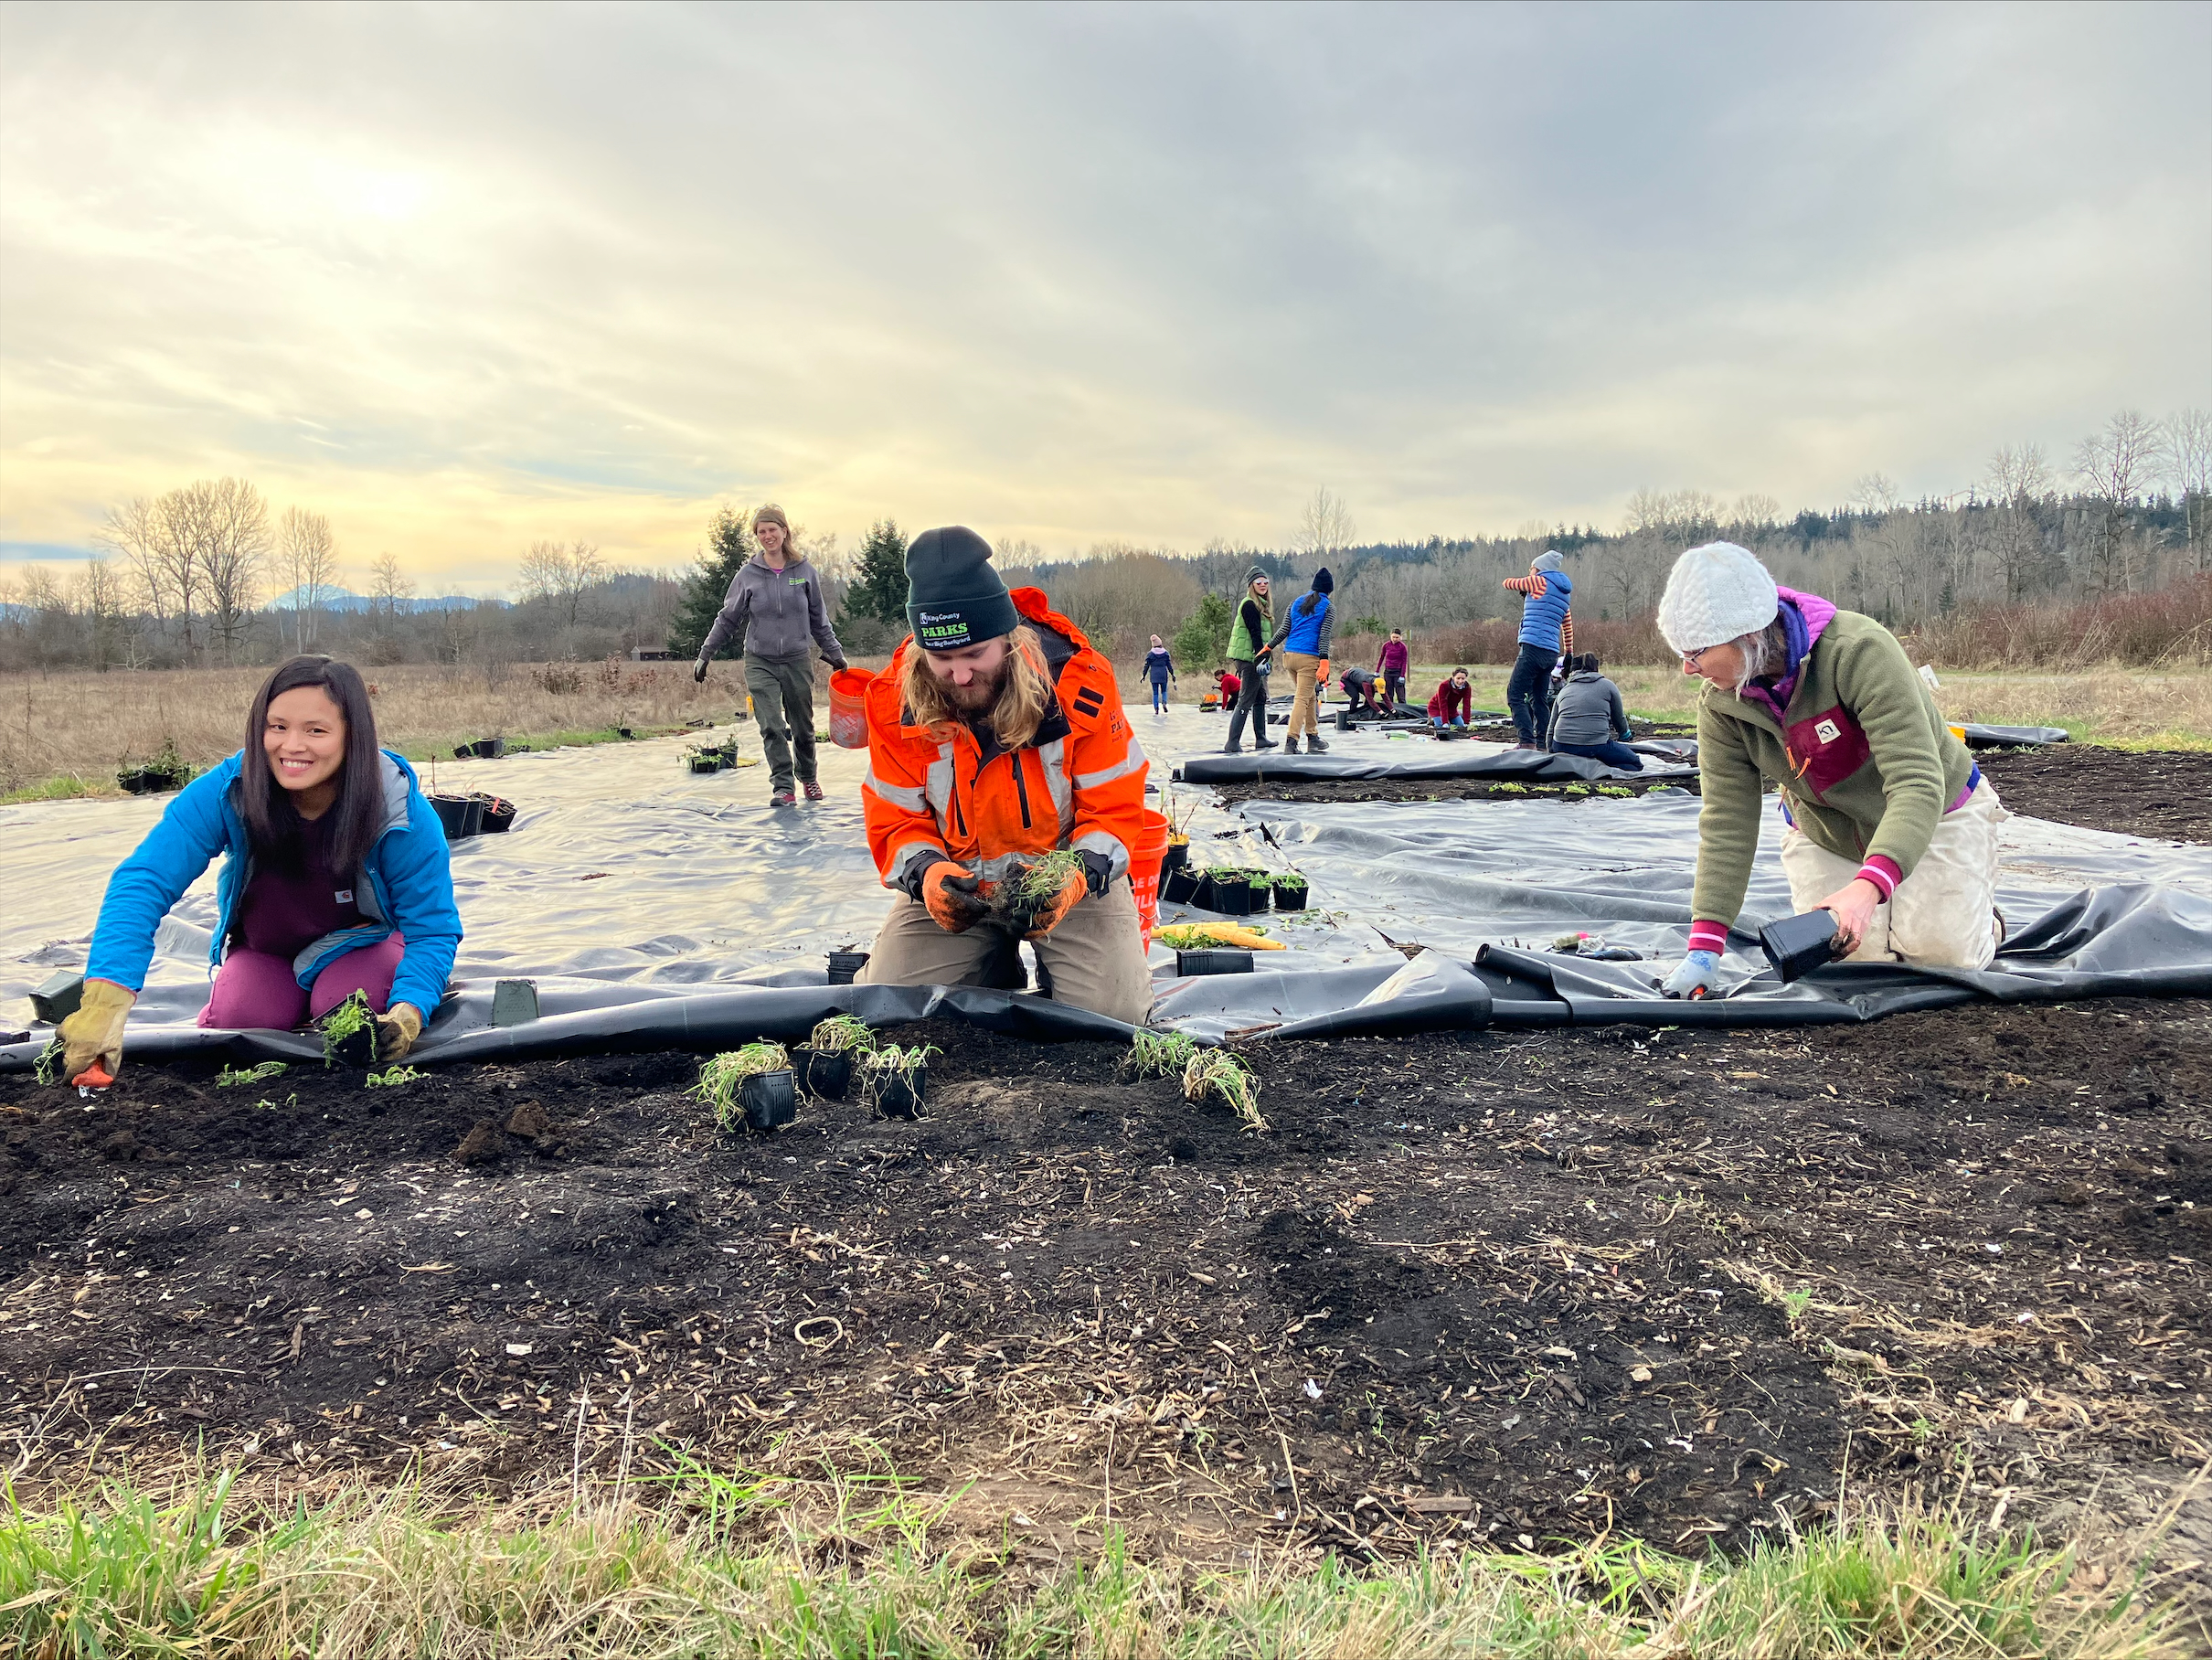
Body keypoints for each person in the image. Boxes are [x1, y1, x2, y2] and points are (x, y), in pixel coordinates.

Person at [56, 656, 462, 1085]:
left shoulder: (397, 810)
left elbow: (432, 927)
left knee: (349, 1011)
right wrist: (105, 1002)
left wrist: (410, 1008)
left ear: (352, 736)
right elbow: (143, 880)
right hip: (268, 951)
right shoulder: (230, 790)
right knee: (239, 1021)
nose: (292, 746)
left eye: (316, 730)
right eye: (278, 726)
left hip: (362, 946)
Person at [1654, 542, 2008, 998]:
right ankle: (1894, 898)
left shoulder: (1859, 652)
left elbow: (1916, 784)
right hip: (1829, 830)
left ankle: (1984, 921)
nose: (1687, 668)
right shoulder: (1721, 703)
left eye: (1696, 651)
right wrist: (1705, 947)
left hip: (1937, 811)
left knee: (1942, 960)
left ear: (1747, 635)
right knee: (1847, 964)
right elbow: (1727, 823)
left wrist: (1866, 889)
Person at [857, 527, 1152, 1024]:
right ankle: (989, 962)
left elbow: (1116, 809)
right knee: (887, 1009)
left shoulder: (1081, 687)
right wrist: (928, 876)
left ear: (1008, 638)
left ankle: (1059, 969)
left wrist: (1074, 878)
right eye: (943, 659)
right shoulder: (892, 704)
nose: (961, 675)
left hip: (1065, 885)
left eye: (975, 654)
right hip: (958, 895)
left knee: (1114, 1015)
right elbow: (893, 819)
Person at [695, 504, 849, 807]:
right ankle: (783, 786)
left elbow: (819, 619)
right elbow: (727, 618)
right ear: (757, 536)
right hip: (759, 660)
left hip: (796, 659)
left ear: (784, 531)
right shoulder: (748, 575)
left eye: (772, 530)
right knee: (771, 726)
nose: (768, 536)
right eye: (761, 531)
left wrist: (835, 654)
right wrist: (705, 654)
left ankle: (808, 777)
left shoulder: (804, 571)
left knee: (803, 727)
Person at [1502, 549, 1574, 749]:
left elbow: (1507, 582)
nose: (1530, 570)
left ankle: (1526, 742)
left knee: (1515, 695)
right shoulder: (1563, 595)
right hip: (1551, 653)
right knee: (1539, 699)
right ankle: (1544, 742)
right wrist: (1569, 653)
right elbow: (1567, 626)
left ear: (1539, 568)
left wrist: (1528, 583)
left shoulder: (1539, 581)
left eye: (1532, 568)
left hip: (1532, 647)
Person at [1261, 568, 1334, 753]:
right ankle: (1291, 742)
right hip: (1308, 658)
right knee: (1302, 698)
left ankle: (1313, 736)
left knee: (1310, 696)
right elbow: (1324, 637)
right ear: (1329, 590)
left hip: (1289, 656)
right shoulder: (1328, 607)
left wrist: (1269, 646)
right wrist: (1324, 662)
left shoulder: (1296, 602)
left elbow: (1284, 629)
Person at [1547, 654, 1643, 771]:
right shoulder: (1608, 686)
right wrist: (1625, 735)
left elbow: (1551, 727)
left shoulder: (1565, 690)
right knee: (1636, 764)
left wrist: (1551, 753)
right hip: (1596, 746)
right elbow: (1619, 719)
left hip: (1562, 746)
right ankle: (1599, 768)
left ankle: (1581, 767)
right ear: (1596, 668)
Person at [1221, 568, 1278, 754]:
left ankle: (1261, 739)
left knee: (1260, 697)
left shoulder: (1260, 605)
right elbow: (1255, 634)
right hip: (1249, 659)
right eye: (1258, 581)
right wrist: (1261, 658)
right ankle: (1232, 742)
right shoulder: (1249, 605)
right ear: (1251, 585)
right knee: (1245, 700)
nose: (1262, 584)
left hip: (1251, 656)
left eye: (1265, 581)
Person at [1428, 666, 1473, 730]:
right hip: (1436, 708)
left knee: (1460, 726)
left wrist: (1467, 722)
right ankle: (1433, 720)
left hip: (1452, 709)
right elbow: (1442, 705)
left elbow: (1467, 705)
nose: (1460, 681)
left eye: (1463, 679)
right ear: (1453, 677)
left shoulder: (1467, 687)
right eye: (1458, 678)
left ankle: (1447, 720)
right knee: (1442, 727)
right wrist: (1445, 722)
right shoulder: (1444, 686)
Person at [1142, 634, 1176, 713]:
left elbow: (1146, 666)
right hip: (1163, 674)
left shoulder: (1150, 654)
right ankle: (1164, 702)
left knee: (1155, 692)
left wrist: (1144, 675)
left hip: (1154, 675)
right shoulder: (1165, 653)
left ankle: (1156, 708)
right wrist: (1172, 674)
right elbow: (1169, 665)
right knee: (1164, 691)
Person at [1377, 628, 1409, 710]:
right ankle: (1390, 710)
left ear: (1400, 637)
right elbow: (1381, 658)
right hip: (1388, 672)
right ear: (1390, 636)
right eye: (1393, 637)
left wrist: (1402, 675)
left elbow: (1404, 662)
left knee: (1400, 695)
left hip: (1398, 672)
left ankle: (1404, 711)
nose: (1395, 639)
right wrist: (1377, 671)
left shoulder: (1403, 647)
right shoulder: (1386, 645)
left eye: (1397, 637)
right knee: (1389, 694)